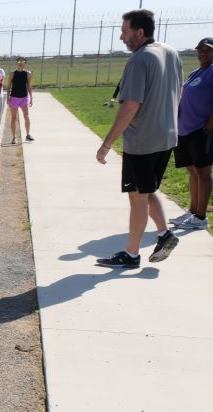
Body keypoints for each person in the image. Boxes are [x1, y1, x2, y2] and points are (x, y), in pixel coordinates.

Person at [96, 9, 183, 267]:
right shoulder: (171, 51)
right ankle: (165, 234)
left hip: (143, 141)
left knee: (137, 196)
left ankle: (132, 254)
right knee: (147, 189)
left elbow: (130, 106)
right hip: (167, 135)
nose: (122, 37)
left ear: (140, 32)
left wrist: (106, 144)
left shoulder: (138, 60)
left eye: (125, 31)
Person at [168, 36, 213, 231]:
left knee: (203, 172)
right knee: (192, 170)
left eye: (207, 50)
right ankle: (193, 212)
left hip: (201, 130)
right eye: (200, 49)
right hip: (185, 128)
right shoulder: (197, 72)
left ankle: (201, 217)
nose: (202, 53)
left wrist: (209, 125)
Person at [8, 58, 34, 143]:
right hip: (14, 97)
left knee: (26, 116)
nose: (21, 64)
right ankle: (14, 137)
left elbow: (29, 86)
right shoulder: (12, 73)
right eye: (19, 62)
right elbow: (9, 86)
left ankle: (28, 135)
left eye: (23, 62)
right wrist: (8, 97)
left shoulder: (28, 73)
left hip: (24, 97)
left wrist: (31, 98)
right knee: (13, 117)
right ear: (17, 63)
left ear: (25, 63)